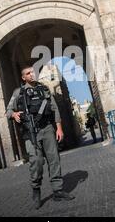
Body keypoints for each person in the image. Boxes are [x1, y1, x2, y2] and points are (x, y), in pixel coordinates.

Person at [6, 65, 75, 209]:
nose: (32, 74)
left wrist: (59, 128)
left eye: (33, 72)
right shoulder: (18, 92)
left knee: (54, 158)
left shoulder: (44, 89)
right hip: (31, 131)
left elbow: (55, 108)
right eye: (28, 73)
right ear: (23, 77)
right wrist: (14, 114)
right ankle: (36, 189)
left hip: (48, 128)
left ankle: (58, 190)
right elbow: (8, 111)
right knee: (36, 161)